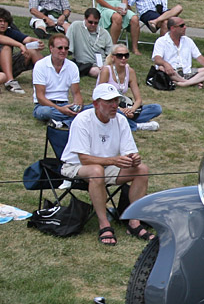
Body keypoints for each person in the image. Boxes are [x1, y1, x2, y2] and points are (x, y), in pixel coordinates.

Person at [60, 83, 152, 245]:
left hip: (107, 167)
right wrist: (113, 161)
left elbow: (129, 151)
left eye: (116, 101)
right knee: (96, 170)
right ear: (96, 103)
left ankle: (134, 222)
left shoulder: (121, 120)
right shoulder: (82, 120)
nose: (114, 105)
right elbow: (84, 159)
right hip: (75, 167)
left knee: (142, 169)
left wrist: (134, 159)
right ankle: (104, 224)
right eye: (109, 102)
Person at [98, 45, 162, 131]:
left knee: (156, 108)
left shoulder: (130, 71)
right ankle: (136, 126)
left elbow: (138, 99)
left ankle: (126, 121)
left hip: (123, 106)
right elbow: (100, 97)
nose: (123, 58)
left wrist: (131, 110)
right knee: (113, 112)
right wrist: (121, 110)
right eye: (120, 56)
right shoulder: (106, 71)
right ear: (113, 57)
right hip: (108, 106)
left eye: (126, 55)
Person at [32, 34, 83, 127]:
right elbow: (40, 97)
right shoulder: (40, 65)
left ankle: (61, 122)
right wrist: (59, 109)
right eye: (60, 48)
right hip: (45, 105)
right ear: (51, 48)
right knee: (45, 112)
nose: (63, 51)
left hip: (65, 104)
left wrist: (77, 107)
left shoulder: (72, 66)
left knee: (91, 109)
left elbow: (76, 93)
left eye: (66, 48)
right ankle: (70, 120)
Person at [152, 17, 204, 88]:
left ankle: (184, 83)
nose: (185, 27)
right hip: (171, 71)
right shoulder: (161, 41)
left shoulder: (188, 41)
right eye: (181, 26)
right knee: (161, 68)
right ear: (173, 28)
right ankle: (192, 82)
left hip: (187, 72)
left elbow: (199, 57)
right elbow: (157, 59)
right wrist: (166, 64)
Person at [0, 7, 43, 94]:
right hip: (3, 73)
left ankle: (45, 79)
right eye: (0, 21)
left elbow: (26, 39)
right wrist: (19, 45)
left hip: (6, 66)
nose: (2, 24)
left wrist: (36, 42)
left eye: (5, 22)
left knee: (32, 51)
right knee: (6, 48)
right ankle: (10, 81)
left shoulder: (9, 31)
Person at [67, 7, 113, 78]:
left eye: (96, 23)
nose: (93, 25)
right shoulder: (75, 26)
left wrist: (105, 65)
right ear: (85, 19)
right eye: (90, 22)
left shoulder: (104, 33)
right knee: (94, 71)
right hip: (84, 63)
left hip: (101, 64)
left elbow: (110, 54)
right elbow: (68, 49)